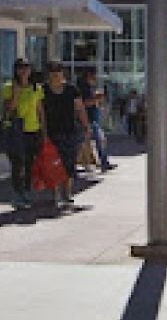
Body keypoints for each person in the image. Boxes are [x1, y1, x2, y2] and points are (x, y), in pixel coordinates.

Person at [43, 61, 92, 207]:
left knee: (69, 164)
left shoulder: (71, 90)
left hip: (70, 131)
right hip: (52, 132)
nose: (56, 76)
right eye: (53, 73)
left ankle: (68, 192)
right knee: (54, 164)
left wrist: (86, 125)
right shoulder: (43, 90)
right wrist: (43, 132)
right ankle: (56, 193)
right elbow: (41, 113)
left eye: (58, 73)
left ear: (63, 74)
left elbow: (80, 108)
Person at [2, 58, 45, 210]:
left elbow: (40, 110)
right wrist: (16, 93)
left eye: (26, 67)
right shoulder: (9, 86)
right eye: (20, 67)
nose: (23, 70)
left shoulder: (36, 88)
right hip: (15, 129)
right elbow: (9, 109)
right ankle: (17, 193)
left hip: (32, 129)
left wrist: (43, 130)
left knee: (29, 163)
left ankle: (26, 191)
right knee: (17, 162)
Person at [80, 69, 115, 173]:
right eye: (94, 76)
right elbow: (85, 103)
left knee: (97, 140)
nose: (95, 78)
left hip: (92, 118)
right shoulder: (84, 88)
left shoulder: (89, 87)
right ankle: (101, 162)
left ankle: (102, 162)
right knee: (95, 140)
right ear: (89, 76)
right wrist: (96, 99)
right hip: (89, 118)